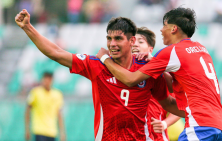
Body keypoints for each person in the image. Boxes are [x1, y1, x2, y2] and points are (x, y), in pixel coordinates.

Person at [16, 9, 172, 140]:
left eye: (118, 38)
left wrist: (194, 116)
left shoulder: (146, 69)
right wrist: (28, 27)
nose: (112, 44)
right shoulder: (96, 65)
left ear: (132, 41)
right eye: (109, 38)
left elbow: (170, 102)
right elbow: (56, 53)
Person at [96, 7, 222, 141]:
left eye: (164, 25)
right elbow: (173, 86)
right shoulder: (201, 49)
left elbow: (131, 79)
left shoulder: (171, 52)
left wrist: (105, 59)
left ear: (173, 29)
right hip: (219, 125)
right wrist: (155, 61)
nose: (161, 30)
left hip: (199, 125)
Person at [133, 27, 183, 141]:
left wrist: (165, 123)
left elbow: (179, 105)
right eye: (132, 41)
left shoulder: (160, 75)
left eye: (140, 42)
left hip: (155, 136)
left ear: (150, 50)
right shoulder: (120, 73)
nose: (135, 45)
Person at [25, 72, 65, 141]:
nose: (47, 82)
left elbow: (59, 114)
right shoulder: (35, 92)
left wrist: (62, 133)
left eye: (49, 80)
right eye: (45, 80)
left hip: (52, 131)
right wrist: (27, 129)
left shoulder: (57, 94)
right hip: (39, 130)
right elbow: (28, 110)